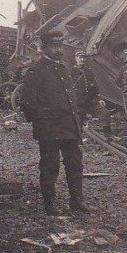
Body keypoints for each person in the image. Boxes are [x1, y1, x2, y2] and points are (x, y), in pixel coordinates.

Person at [19, 30, 89, 216]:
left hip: (69, 127)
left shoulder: (65, 67)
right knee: (50, 167)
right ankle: (50, 205)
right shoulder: (36, 70)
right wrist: (44, 121)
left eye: (60, 46)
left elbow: (71, 98)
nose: (58, 50)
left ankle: (77, 201)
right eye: (53, 46)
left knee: (75, 164)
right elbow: (26, 102)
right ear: (43, 48)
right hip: (49, 130)